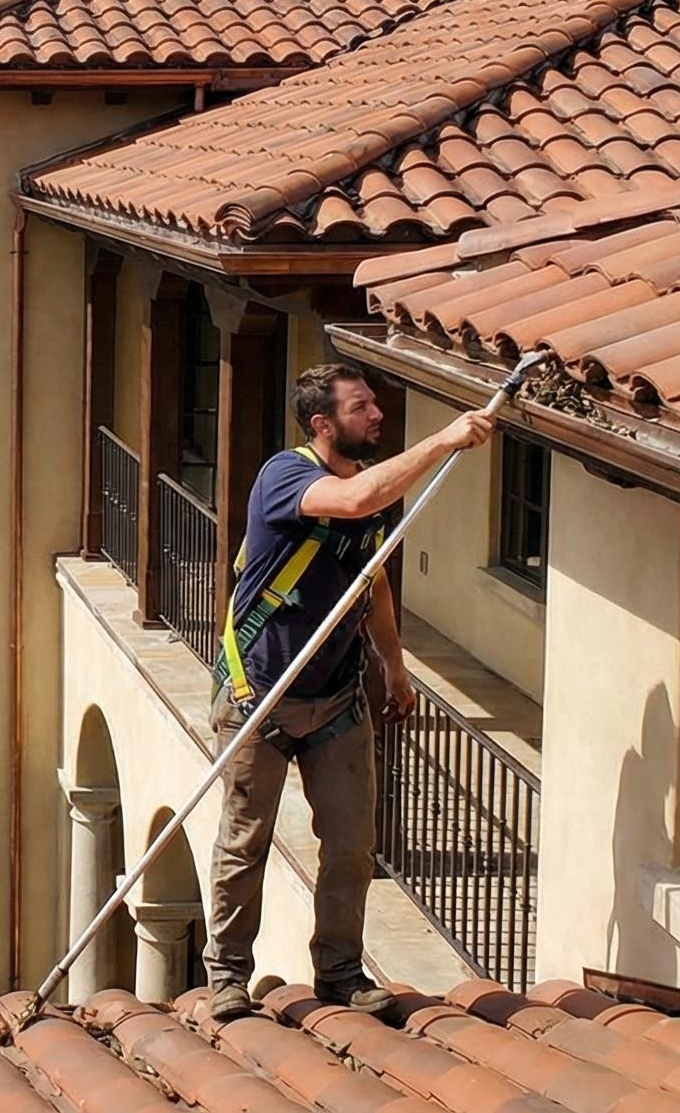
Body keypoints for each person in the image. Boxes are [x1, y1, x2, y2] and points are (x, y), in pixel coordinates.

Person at [201, 363, 494, 1021]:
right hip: (262, 696)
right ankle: (227, 975)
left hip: (335, 698)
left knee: (352, 843)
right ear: (323, 425)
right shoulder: (287, 475)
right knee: (246, 841)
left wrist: (393, 666)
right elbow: (355, 502)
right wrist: (443, 441)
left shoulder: (370, 488)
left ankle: (339, 972)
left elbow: (374, 579)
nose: (377, 416)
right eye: (362, 408)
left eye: (375, 405)